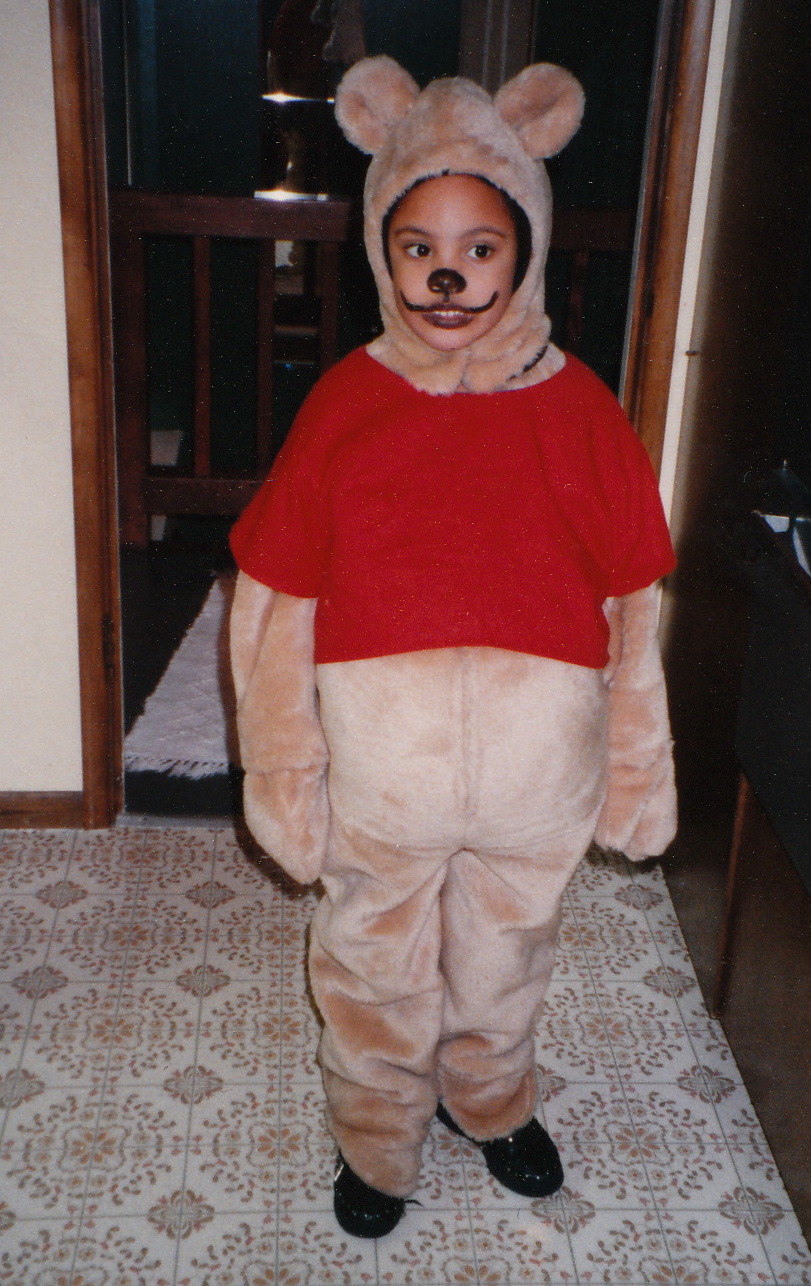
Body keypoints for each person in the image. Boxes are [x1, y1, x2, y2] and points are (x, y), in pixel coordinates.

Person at [229, 56, 677, 1239]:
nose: (446, 271)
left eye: (480, 247)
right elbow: (272, 608)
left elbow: (634, 611)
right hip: (385, 776)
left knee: (506, 949)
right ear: (381, 250)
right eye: (417, 244)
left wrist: (638, 766)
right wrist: (283, 770)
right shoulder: (344, 403)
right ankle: (377, 1133)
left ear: (525, 246)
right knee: (371, 960)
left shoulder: (584, 408)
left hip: (539, 772)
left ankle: (491, 1096)